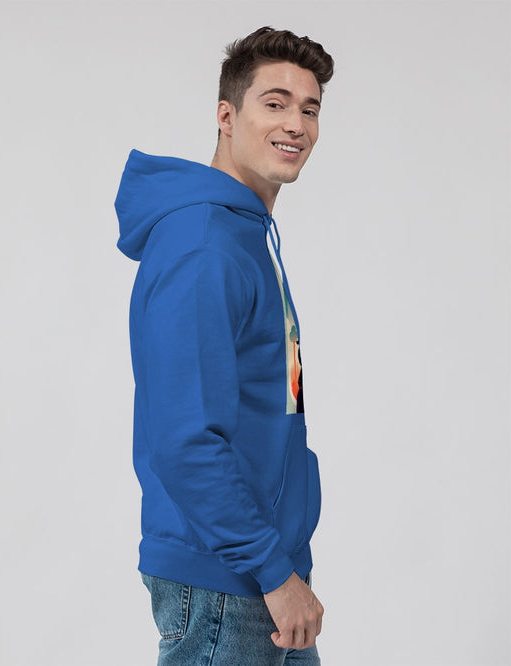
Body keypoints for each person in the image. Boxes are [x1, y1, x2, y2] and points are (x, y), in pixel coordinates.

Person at [114, 26, 334, 666]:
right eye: (275, 103)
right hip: (227, 582)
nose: (295, 124)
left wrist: (283, 563)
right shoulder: (204, 246)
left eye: (309, 109)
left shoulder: (242, 235)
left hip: (262, 568)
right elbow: (185, 439)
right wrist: (272, 570)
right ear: (226, 116)